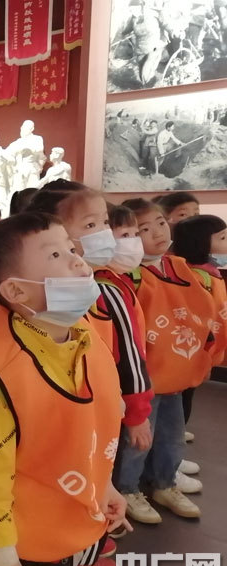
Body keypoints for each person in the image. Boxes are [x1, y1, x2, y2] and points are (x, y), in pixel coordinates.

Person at [0, 212, 128, 566]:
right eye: (54, 255)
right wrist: (1, 557)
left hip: (59, 526)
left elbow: (89, 429)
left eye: (70, 248)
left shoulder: (82, 337)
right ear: (16, 291)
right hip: (14, 544)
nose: (76, 260)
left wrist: (103, 488)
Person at [29, 184, 154, 566]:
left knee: (96, 477)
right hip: (57, 420)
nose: (105, 233)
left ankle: (86, 549)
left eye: (104, 222)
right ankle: (73, 551)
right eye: (90, 225)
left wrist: (136, 413)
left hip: (100, 416)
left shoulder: (105, 291)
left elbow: (130, 359)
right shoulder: (34, 294)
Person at [117, 198, 216, 523]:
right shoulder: (130, 277)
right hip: (145, 377)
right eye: (143, 230)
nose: (157, 233)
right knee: (138, 439)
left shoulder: (179, 266)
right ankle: (128, 489)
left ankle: (164, 483)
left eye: (160, 223)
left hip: (176, 373)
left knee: (172, 436)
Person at [169, 214, 227, 459]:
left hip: (204, 351)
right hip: (195, 351)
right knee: (180, 402)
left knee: (184, 400)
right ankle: (171, 456)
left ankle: (174, 447)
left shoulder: (209, 272)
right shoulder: (195, 277)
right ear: (201, 243)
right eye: (222, 238)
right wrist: (205, 355)